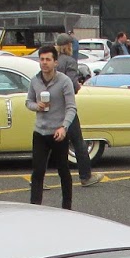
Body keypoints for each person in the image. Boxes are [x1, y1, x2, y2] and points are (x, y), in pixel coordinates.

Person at [25, 44, 77, 209]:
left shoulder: (64, 81)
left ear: (55, 62)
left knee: (63, 170)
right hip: (40, 131)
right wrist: (36, 106)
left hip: (58, 132)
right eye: (42, 59)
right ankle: (35, 206)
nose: (44, 63)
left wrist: (64, 127)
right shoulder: (35, 80)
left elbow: (71, 107)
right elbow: (28, 102)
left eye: (48, 59)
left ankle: (67, 206)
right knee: (38, 171)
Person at [54, 35, 98, 186]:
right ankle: (85, 176)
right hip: (66, 106)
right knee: (78, 142)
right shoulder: (70, 61)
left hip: (52, 106)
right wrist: (78, 86)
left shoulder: (53, 60)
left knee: (47, 142)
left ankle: (37, 178)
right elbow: (72, 84)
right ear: (68, 46)